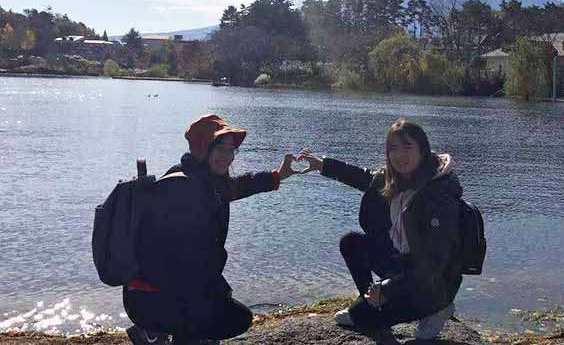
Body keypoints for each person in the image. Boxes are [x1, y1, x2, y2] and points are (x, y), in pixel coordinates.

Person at [123, 114, 298, 345]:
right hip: (149, 297)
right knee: (235, 318)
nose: (227, 156)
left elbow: (239, 186)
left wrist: (277, 176)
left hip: (153, 291)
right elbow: (182, 265)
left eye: (231, 150)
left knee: (214, 303)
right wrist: (218, 289)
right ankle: (155, 332)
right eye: (220, 149)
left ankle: (159, 331)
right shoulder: (185, 189)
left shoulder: (200, 179)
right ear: (202, 149)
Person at [297, 118, 463, 341]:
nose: (399, 155)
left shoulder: (437, 195)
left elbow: (432, 265)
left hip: (433, 284)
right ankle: (372, 301)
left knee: (360, 317)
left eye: (407, 147)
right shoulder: (400, 178)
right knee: (352, 243)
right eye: (393, 148)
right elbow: (365, 177)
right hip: (406, 267)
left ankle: (437, 310)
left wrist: (388, 288)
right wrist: (323, 165)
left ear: (423, 150)